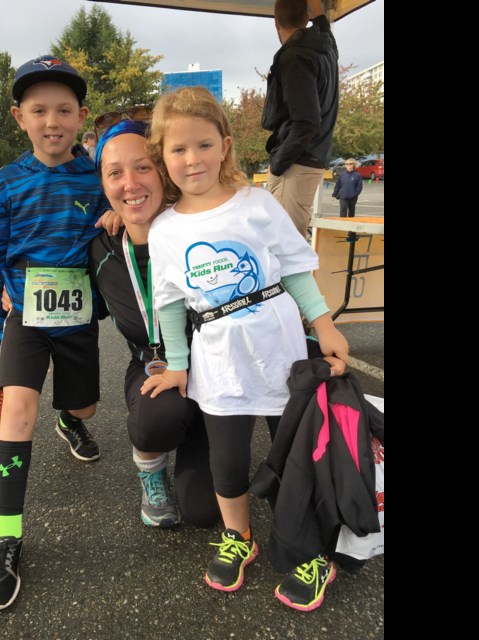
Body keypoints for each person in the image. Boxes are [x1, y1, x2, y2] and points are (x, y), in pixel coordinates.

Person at [140, 86, 349, 609]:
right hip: (218, 364)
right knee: (228, 465)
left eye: (204, 145)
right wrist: (180, 367)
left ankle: (306, 547)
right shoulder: (164, 230)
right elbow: (168, 304)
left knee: (293, 458)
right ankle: (240, 535)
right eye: (179, 150)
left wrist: (325, 326)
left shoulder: (257, 204)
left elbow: (296, 270)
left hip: (278, 351)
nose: (193, 159)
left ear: (226, 145)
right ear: (163, 158)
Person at [0, 55, 111, 612]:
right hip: (24, 317)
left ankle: (69, 418)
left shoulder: (97, 177)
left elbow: (117, 230)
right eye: (38, 110)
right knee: (15, 414)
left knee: (85, 409)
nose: (51, 120)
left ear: (81, 116)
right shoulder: (6, 182)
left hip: (77, 317)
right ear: (19, 117)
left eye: (63, 110)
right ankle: (5, 537)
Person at [88, 115, 219, 530]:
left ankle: (211, 438)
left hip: (217, 371)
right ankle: (151, 469)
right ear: (104, 185)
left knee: (202, 513)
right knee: (154, 422)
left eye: (143, 166)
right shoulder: (99, 249)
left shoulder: (202, 230)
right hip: (154, 367)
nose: (130, 183)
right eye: (115, 173)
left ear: (163, 171)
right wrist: (10, 290)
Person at [262, 0, 338, 240]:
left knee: (285, 249)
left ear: (275, 22)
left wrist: (278, 164)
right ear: (305, 19)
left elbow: (306, 122)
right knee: (290, 246)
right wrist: (319, 16)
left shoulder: (295, 56)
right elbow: (326, 33)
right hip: (311, 159)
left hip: (295, 163)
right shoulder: (324, 49)